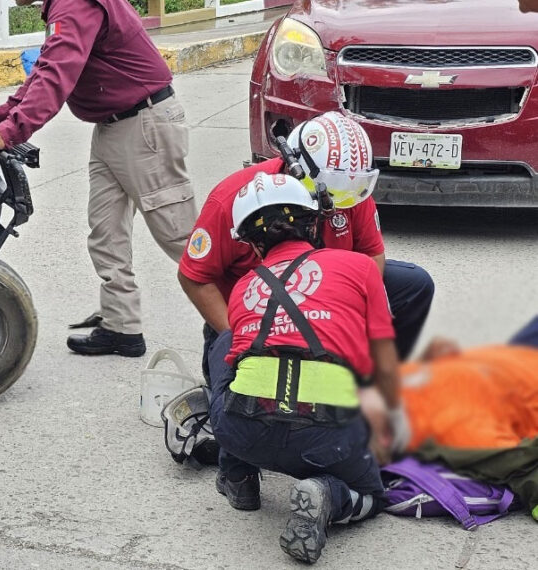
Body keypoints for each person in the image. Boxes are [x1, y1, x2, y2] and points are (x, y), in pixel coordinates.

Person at [0, 0, 195, 357]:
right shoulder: (64, 6)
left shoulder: (74, 3)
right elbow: (46, 68)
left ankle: (255, 318)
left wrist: (11, 130)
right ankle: (123, 327)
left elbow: (58, 75)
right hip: (114, 125)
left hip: (144, 124)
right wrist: (2, 114)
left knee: (179, 235)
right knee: (107, 234)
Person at [206, 172, 404, 564]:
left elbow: (234, 366)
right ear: (314, 223)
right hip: (328, 438)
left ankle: (239, 477)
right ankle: (328, 494)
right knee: (373, 496)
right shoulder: (359, 268)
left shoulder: (243, 286)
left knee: (226, 342)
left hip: (245, 432)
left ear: (255, 245)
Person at [179, 112, 434, 378]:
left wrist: (352, 323)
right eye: (328, 200)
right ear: (292, 169)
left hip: (330, 298)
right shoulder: (231, 200)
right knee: (237, 397)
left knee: (414, 285)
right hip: (257, 308)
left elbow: (372, 254)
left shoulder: (347, 191)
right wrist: (238, 339)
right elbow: (194, 277)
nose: (334, 209)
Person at [361, 316, 538, 519]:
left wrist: (430, 362)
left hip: (514, 357)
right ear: (382, 438)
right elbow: (519, 462)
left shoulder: (392, 387)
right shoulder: (455, 430)